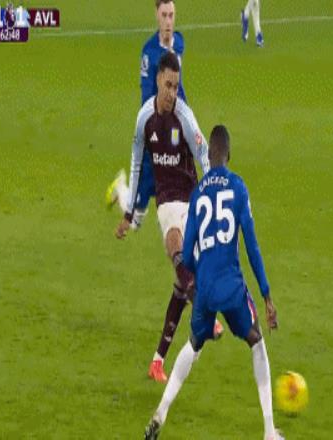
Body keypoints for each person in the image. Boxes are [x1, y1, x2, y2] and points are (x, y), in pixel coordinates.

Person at [144, 125, 284, 440]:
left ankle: (161, 412)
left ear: (209, 154)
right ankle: (268, 430)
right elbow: (252, 246)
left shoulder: (198, 194)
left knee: (194, 343)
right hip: (232, 287)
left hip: (205, 288)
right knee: (256, 342)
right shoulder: (238, 187)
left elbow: (188, 251)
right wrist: (266, 295)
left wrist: (195, 277)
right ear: (229, 155)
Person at [115, 52, 222, 383]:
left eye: (176, 86)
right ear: (158, 80)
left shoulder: (184, 117)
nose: (173, 92)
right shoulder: (144, 119)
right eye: (168, 85)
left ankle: (157, 360)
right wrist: (130, 213)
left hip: (192, 196)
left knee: (181, 282)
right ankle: (204, 310)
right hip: (166, 200)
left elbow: (204, 154)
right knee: (173, 243)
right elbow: (136, 163)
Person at [106, 0, 186, 230]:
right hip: (156, 131)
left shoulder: (179, 42)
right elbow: (146, 98)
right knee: (137, 219)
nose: (168, 21)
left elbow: (179, 86)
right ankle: (121, 189)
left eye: (171, 15)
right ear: (156, 16)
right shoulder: (149, 53)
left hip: (174, 127)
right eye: (164, 15)